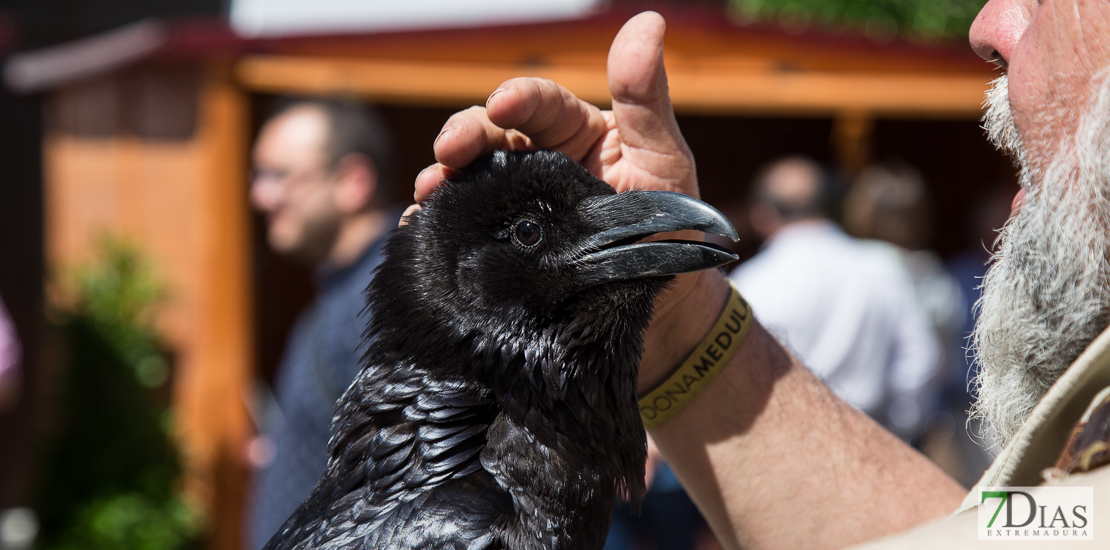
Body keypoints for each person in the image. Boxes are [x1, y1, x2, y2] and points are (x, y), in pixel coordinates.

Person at [414, 2, 1110, 546]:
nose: (987, 26)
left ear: (769, 215)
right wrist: (683, 327)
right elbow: (994, 527)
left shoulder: (769, 276)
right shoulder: (887, 273)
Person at [246, 98, 401, 549]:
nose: (260, 196)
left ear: (352, 182)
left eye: (279, 176)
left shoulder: (385, 296)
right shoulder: (345, 291)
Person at [730, 156, 940, 441]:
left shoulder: (750, 283)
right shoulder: (881, 268)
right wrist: (898, 429)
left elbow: (739, 377)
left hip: (787, 443)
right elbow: (921, 357)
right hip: (871, 437)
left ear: (762, 215)